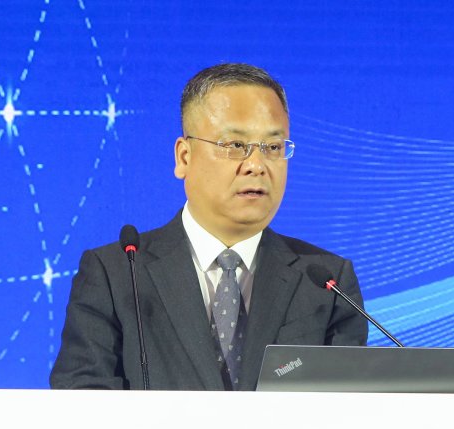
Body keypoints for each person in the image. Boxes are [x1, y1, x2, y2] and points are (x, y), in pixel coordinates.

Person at [50, 63, 367, 391]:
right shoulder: (115, 274)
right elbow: (82, 401)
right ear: (184, 157)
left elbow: (352, 407)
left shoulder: (328, 283)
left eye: (273, 147)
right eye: (235, 146)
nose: (256, 166)